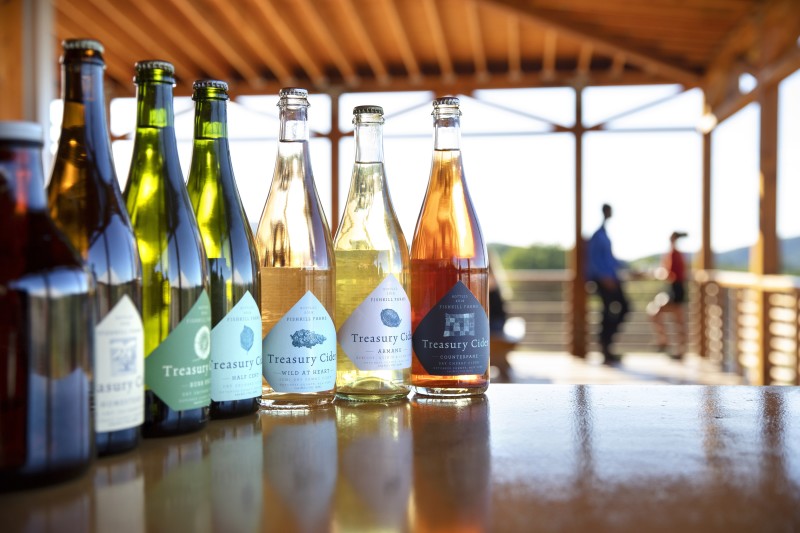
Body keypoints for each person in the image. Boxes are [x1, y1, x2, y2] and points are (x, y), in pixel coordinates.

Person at [586, 204, 629, 363]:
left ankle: (606, 344)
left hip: (612, 278)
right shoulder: (598, 235)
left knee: (618, 309)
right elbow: (594, 259)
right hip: (604, 280)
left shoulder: (603, 233)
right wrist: (604, 276)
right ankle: (605, 344)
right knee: (612, 310)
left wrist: (627, 267)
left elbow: (610, 259)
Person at [648, 231, 688, 359]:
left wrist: (657, 273)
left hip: (675, 289)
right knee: (677, 320)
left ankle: (666, 342)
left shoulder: (673, 254)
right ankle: (676, 347)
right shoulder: (677, 254)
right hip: (676, 289)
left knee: (656, 312)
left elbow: (670, 273)